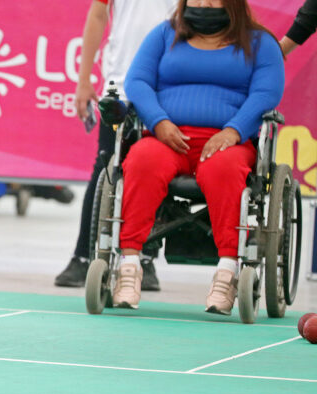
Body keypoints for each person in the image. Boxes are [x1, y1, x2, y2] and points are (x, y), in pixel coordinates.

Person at [114, 0, 284, 312]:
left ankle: (227, 270)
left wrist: (233, 131)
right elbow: (137, 81)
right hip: (167, 136)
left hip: (225, 141)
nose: (203, 3)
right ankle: (128, 264)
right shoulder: (165, 35)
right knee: (141, 161)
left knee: (224, 170)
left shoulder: (260, 43)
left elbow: (266, 93)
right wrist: (159, 122)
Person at [55, 0, 177, 290]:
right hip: (120, 85)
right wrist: (84, 80)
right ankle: (83, 257)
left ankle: (145, 258)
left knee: (156, 169)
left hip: (169, 86)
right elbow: (98, 15)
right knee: (106, 166)